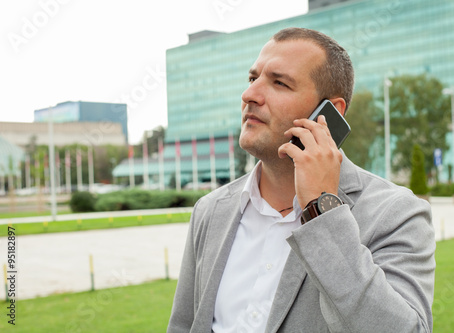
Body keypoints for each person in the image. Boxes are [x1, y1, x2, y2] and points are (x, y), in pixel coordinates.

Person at [167, 27, 435, 333]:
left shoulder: (397, 213)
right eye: (253, 79)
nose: (249, 95)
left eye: (279, 83)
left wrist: (322, 210)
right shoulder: (210, 209)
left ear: (329, 113)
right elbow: (183, 326)